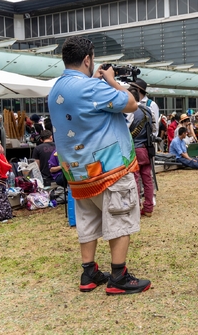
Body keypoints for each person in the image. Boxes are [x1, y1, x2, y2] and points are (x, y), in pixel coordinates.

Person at [48, 35, 150, 295]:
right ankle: (118, 276)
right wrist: (113, 81)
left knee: (88, 220)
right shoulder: (92, 88)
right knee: (120, 215)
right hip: (109, 168)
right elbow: (130, 103)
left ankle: (89, 272)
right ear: (87, 59)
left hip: (79, 171)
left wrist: (96, 80)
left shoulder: (57, 89)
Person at [127, 98, 155, 218]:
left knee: (135, 180)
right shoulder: (148, 110)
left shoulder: (129, 111)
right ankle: (149, 208)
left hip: (134, 149)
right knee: (147, 180)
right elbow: (155, 129)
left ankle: (136, 208)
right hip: (146, 148)